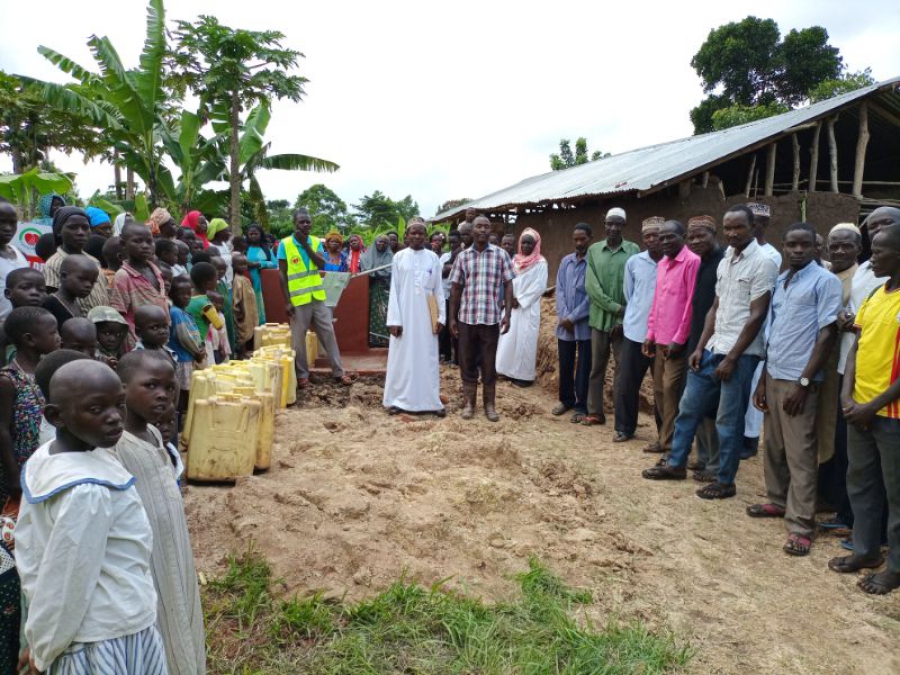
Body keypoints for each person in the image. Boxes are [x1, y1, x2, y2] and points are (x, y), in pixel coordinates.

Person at [15, 360, 164, 674]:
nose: (114, 418)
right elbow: (68, 581)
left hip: (87, 629)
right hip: (104, 638)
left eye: (119, 405)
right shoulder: (87, 492)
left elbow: (31, 552)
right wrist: (43, 652)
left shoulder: (46, 458)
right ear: (56, 416)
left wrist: (39, 635)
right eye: (96, 410)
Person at [642, 204, 778, 500]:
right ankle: (676, 464)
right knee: (688, 408)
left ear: (752, 226)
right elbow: (715, 308)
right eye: (728, 228)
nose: (732, 233)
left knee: (727, 420)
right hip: (713, 347)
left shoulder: (763, 263)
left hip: (740, 354)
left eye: (738, 227)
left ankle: (725, 480)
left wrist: (731, 358)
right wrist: (701, 346)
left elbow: (757, 315)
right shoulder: (727, 259)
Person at [748, 223, 842, 556]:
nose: (797, 251)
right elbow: (773, 333)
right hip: (773, 373)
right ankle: (776, 499)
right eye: (791, 245)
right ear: (784, 247)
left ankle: (802, 524)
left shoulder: (825, 282)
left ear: (816, 248)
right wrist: (762, 379)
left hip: (799, 380)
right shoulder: (783, 281)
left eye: (804, 245)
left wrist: (804, 382)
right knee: (772, 444)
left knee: (800, 452)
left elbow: (827, 334)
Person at [113, 351, 206, 674]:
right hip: (145, 558)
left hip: (172, 549)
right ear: (121, 388)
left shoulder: (153, 433)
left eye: (169, 387)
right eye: (151, 385)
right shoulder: (114, 447)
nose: (163, 395)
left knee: (180, 612)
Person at [829, 222, 900, 595]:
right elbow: (857, 346)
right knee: (861, 484)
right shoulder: (876, 295)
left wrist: (872, 405)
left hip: (891, 415)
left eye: (880, 251)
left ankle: (895, 568)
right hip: (858, 409)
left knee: (895, 494)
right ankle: (866, 551)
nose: (872, 259)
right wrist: (847, 396)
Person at [816, 224, 862, 529]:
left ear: (859, 248)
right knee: (822, 426)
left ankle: (836, 499)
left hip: (850, 366)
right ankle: (822, 492)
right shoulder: (827, 273)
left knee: (838, 433)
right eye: (835, 245)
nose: (840, 251)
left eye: (847, 246)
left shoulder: (864, 277)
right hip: (825, 362)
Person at [642, 220, 701, 455]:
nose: (664, 242)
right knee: (658, 391)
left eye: (670, 237)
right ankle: (664, 438)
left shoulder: (692, 263)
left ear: (683, 236)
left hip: (678, 343)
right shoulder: (663, 264)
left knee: (671, 392)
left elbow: (690, 305)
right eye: (661, 237)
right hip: (660, 340)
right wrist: (650, 334)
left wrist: (680, 338)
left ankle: (673, 445)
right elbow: (658, 302)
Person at [449, 215, 514, 422]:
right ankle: (469, 404)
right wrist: (452, 318)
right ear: (472, 230)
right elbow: (456, 288)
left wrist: (508, 314)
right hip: (467, 318)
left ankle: (490, 405)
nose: (483, 230)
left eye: (486, 227)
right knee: (466, 362)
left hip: (490, 319)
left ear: (490, 230)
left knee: (488, 363)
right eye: (479, 226)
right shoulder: (463, 257)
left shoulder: (501, 255)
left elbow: (508, 284)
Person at [278, 209, 350, 388]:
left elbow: (320, 263)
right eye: (302, 222)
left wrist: (305, 245)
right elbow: (282, 273)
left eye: (308, 222)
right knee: (298, 340)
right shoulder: (285, 244)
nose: (306, 225)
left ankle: (339, 372)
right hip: (298, 300)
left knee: (329, 334)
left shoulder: (316, 242)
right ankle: (302, 376)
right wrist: (287, 301)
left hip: (318, 297)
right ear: (295, 223)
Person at [383, 220, 446, 416]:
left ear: (425, 237)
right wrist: (394, 319)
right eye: (414, 233)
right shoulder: (399, 257)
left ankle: (430, 402)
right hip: (404, 314)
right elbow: (395, 290)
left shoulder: (433, 258)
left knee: (427, 357)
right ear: (407, 236)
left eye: (421, 234)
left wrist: (441, 317)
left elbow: (438, 290)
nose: (417, 236)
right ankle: (397, 400)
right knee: (402, 358)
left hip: (427, 315)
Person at [583, 207, 639, 426]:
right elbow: (592, 287)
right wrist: (616, 309)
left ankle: (621, 416)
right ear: (604, 224)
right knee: (596, 368)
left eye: (618, 224)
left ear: (624, 226)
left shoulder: (633, 250)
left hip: (625, 323)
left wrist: (622, 319)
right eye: (609, 224)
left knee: (622, 369)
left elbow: (637, 286)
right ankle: (595, 412)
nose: (613, 228)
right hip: (599, 320)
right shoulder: (594, 251)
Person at [0, 306, 60, 504]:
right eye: (53, 332)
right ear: (30, 339)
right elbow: (2, 430)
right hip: (21, 465)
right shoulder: (9, 379)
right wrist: (14, 476)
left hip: (50, 461)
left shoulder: (52, 372)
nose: (59, 337)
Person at [612, 217, 663, 442]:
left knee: (662, 388)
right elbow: (629, 294)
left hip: (663, 337)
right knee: (627, 383)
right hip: (635, 333)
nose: (652, 240)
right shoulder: (634, 262)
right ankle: (625, 427)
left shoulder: (673, 262)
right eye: (647, 236)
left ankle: (665, 433)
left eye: (657, 235)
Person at [683, 216, 725, 482]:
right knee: (697, 403)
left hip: (716, 344)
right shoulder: (699, 263)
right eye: (692, 237)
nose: (696, 241)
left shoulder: (723, 262)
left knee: (712, 407)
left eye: (701, 236)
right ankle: (702, 456)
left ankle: (715, 463)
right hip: (697, 340)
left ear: (713, 233)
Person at [742, 202, 783, 458]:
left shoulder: (771, 255)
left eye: (758, 221)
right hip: (737, 326)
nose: (754, 224)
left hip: (760, 327)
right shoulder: (736, 251)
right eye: (750, 220)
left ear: (765, 224)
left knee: (756, 384)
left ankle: (750, 438)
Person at [496, 228, 548, 387]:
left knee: (524, 341)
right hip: (511, 306)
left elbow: (539, 287)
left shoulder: (541, 263)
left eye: (529, 243)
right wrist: (509, 298)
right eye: (523, 242)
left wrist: (521, 300)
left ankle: (524, 376)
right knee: (508, 339)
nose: (525, 245)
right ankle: (505, 370)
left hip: (527, 308)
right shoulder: (514, 261)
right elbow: (508, 281)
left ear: (536, 245)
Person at [553, 224, 593, 423]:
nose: (579, 243)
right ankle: (566, 400)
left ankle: (581, 405)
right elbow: (559, 289)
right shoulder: (565, 262)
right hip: (565, 322)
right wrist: (564, 315)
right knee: (566, 362)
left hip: (585, 323)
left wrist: (574, 317)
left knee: (584, 365)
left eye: (582, 239)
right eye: (576, 239)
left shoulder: (594, 263)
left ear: (590, 239)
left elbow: (592, 296)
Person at [110, 222, 168, 349]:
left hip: (160, 341)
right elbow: (119, 316)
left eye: (149, 241)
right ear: (123, 244)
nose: (145, 246)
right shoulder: (123, 276)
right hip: (137, 344)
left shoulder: (156, 271)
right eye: (137, 241)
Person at [43, 206, 109, 312]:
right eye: (73, 227)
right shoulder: (54, 264)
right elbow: (56, 305)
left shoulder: (93, 261)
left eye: (85, 227)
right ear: (59, 231)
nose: (80, 232)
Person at [168, 276, 205, 413]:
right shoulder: (176, 313)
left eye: (188, 293)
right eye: (181, 294)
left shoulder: (185, 312)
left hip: (189, 357)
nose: (185, 297)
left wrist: (201, 347)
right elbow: (183, 336)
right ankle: (181, 416)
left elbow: (194, 333)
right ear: (171, 295)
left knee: (188, 387)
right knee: (184, 389)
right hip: (182, 358)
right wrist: (197, 351)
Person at [42, 254, 99, 328]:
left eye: (93, 281)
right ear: (64, 276)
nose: (88, 285)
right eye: (82, 279)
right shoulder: (49, 303)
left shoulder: (74, 303)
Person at [360, 234, 394, 348]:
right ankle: (373, 339)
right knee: (371, 313)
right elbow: (365, 272)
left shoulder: (391, 257)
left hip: (386, 290)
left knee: (384, 313)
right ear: (375, 242)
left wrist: (376, 272)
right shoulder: (366, 257)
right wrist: (373, 272)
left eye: (385, 243)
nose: (382, 244)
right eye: (380, 241)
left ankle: (385, 340)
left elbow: (390, 271)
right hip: (370, 289)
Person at [0, 200, 29, 321]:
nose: (8, 228)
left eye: (13, 222)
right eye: (2, 222)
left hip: (20, 328)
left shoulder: (20, 253)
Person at [438, 230, 462, 365]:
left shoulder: (464, 255)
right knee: (446, 327)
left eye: (455, 242)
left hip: (460, 297)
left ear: (460, 242)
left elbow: (458, 273)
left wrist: (450, 269)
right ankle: (446, 355)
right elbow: (439, 273)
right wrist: (448, 269)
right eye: (450, 242)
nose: (452, 245)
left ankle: (457, 358)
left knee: (458, 328)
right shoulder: (444, 256)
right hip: (445, 295)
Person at [245, 224, 275, 324]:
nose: (253, 236)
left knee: (261, 307)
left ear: (260, 234)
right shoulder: (245, 248)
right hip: (247, 283)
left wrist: (259, 264)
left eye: (256, 234)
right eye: (251, 234)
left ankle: (261, 330)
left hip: (263, 284)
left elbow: (274, 264)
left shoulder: (266, 249)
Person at [231, 254, 259, 356]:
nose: (244, 267)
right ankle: (241, 355)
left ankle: (245, 352)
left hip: (249, 309)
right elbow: (237, 298)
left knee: (248, 331)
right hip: (243, 311)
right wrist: (240, 311)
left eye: (245, 264)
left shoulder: (243, 278)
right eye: (240, 264)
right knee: (243, 334)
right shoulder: (238, 280)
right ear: (233, 265)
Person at [207, 218, 233, 283]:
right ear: (218, 232)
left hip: (228, 281)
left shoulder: (224, 244)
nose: (229, 233)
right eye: (226, 231)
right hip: (218, 282)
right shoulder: (209, 246)